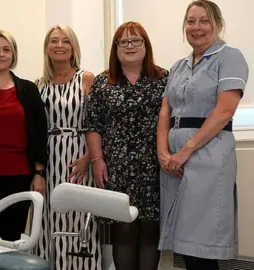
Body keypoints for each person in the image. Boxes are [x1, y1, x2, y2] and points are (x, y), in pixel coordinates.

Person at [157, 1, 249, 269]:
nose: (196, 27)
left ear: (217, 25)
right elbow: (165, 112)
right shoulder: (178, 66)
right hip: (173, 161)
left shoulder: (230, 56)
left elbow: (224, 111)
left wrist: (185, 151)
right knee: (184, 244)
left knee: (203, 242)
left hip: (207, 155)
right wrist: (163, 152)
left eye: (204, 21)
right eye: (190, 21)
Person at [84, 21, 169, 270]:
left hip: (153, 168)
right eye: (124, 41)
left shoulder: (164, 78)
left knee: (151, 231)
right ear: (116, 47)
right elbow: (92, 125)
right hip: (116, 168)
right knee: (124, 230)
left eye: (136, 40)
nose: (130, 46)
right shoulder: (103, 82)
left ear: (146, 45)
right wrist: (97, 160)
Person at [0, 30, 48, 243]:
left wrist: (39, 173)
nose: (0, 54)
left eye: (6, 49)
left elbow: (40, 133)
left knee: (11, 243)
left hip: (19, 178)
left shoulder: (29, 90)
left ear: (13, 55)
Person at [33, 24, 101, 270]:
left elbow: (97, 123)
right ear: (47, 48)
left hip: (78, 156)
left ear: (73, 48)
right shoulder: (38, 84)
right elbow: (35, 130)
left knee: (77, 215)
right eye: (54, 41)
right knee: (48, 217)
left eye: (65, 41)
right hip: (48, 158)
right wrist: (38, 171)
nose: (59, 46)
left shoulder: (87, 78)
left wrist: (88, 157)